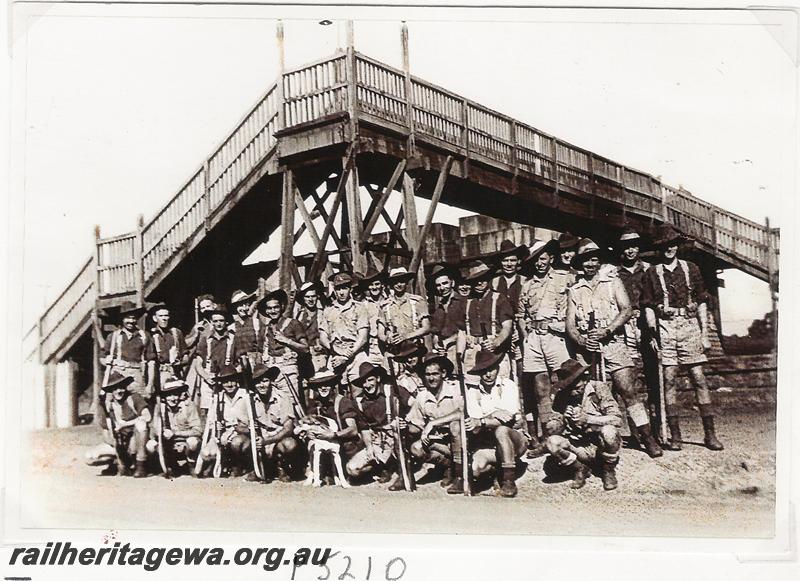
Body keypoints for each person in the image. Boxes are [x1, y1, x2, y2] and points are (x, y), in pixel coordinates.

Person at [566, 238, 663, 458]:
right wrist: (582, 341)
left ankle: (647, 438)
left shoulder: (612, 281)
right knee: (597, 396)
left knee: (629, 391)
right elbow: (569, 325)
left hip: (614, 343)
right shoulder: (575, 290)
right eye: (585, 261)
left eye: (593, 259)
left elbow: (627, 309)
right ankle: (603, 443)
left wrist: (607, 330)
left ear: (598, 261)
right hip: (589, 351)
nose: (590, 264)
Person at [642, 225, 723, 451]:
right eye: (665, 245)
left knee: (698, 377)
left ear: (677, 246)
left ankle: (710, 434)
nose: (670, 249)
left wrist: (704, 335)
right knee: (668, 378)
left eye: (673, 244)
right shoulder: (652, 273)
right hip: (665, 329)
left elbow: (702, 303)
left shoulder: (691, 269)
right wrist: (652, 333)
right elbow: (647, 305)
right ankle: (675, 435)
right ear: (660, 248)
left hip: (689, 327)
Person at [516, 239, 575, 457]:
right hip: (534, 338)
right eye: (536, 260)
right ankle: (547, 438)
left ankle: (566, 431)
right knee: (540, 388)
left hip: (556, 336)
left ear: (550, 258)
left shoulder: (564, 278)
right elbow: (520, 315)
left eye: (543, 259)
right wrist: (526, 336)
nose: (540, 264)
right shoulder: (528, 285)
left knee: (564, 383)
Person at [544, 359, 623, 491]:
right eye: (569, 388)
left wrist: (588, 419)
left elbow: (617, 419)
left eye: (577, 388)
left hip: (599, 444)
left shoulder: (599, 388)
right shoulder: (563, 394)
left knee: (609, 432)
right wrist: (563, 418)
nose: (573, 393)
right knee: (552, 442)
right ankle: (579, 468)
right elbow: (551, 429)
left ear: (585, 379)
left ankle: (608, 469)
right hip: (578, 446)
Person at [463, 350, 528, 498]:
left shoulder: (508, 386)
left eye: (491, 369)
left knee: (501, 431)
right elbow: (475, 424)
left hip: (515, 440)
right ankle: (498, 470)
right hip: (490, 445)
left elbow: (506, 419)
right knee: (476, 469)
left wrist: (484, 420)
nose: (488, 374)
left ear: (498, 368)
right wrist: (493, 415)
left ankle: (509, 480)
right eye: (484, 370)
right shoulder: (473, 392)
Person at [403, 353, 464, 492]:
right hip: (439, 442)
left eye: (435, 374)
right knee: (416, 448)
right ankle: (448, 466)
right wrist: (405, 426)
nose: (431, 378)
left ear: (443, 373)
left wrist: (433, 423)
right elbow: (415, 423)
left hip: (459, 440)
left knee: (455, 426)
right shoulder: (422, 396)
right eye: (428, 374)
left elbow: (462, 413)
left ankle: (459, 476)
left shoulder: (456, 389)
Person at [297, 368, 361, 485]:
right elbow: (308, 422)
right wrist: (309, 433)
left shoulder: (343, 402)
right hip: (325, 443)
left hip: (344, 443)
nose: (323, 388)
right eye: (319, 385)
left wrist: (333, 435)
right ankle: (326, 471)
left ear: (332, 385)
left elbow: (353, 429)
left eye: (326, 384)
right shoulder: (315, 405)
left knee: (352, 464)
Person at [456, 261, 515, 386]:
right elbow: (462, 331)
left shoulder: (499, 299)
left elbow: (507, 326)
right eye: (475, 280)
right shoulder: (466, 302)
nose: (479, 282)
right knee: (473, 389)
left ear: (488, 278)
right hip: (473, 352)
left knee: (501, 387)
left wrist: (496, 342)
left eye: (482, 278)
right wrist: (460, 354)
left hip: (495, 353)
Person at [85, 371, 152, 478]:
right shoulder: (107, 406)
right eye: (115, 388)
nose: (119, 391)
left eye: (121, 387)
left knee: (141, 427)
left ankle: (141, 465)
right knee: (90, 457)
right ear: (111, 391)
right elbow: (106, 434)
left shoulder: (134, 398)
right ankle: (117, 463)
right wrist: (116, 441)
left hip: (138, 440)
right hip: (120, 443)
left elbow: (147, 417)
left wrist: (125, 425)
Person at [245, 363, 301, 483]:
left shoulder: (283, 398)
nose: (262, 385)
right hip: (261, 436)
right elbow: (241, 425)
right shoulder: (250, 400)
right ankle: (257, 468)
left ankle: (281, 467)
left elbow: (288, 428)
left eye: (265, 381)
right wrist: (250, 428)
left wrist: (267, 441)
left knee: (289, 445)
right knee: (243, 442)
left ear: (271, 381)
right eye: (258, 382)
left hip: (278, 437)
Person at [318, 271, 370, 389]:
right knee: (335, 392)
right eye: (338, 289)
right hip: (335, 354)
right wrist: (337, 350)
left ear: (350, 289)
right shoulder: (328, 310)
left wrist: (347, 356)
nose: (341, 292)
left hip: (356, 354)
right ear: (335, 290)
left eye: (344, 288)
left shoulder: (359, 308)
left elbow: (363, 337)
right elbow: (323, 336)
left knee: (359, 390)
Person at [345, 362, 396, 483]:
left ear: (378, 378)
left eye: (370, 380)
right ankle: (378, 467)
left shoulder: (391, 391)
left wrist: (405, 420)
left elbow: (413, 404)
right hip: (377, 440)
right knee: (352, 469)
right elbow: (364, 428)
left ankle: (393, 465)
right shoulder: (359, 401)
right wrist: (369, 447)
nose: (367, 385)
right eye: (364, 382)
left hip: (396, 436)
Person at [257, 289, 308, 408]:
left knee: (292, 405)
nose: (273, 311)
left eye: (276, 307)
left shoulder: (293, 324)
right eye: (269, 308)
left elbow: (305, 348)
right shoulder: (265, 329)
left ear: (281, 307)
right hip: (270, 372)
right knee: (274, 405)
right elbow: (259, 352)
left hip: (288, 371)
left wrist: (287, 340)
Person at [197, 367, 252, 478]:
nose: (229, 384)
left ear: (237, 381)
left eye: (232, 380)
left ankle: (239, 465)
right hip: (223, 434)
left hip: (243, 433)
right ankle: (220, 464)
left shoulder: (246, 395)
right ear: (221, 383)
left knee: (237, 443)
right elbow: (212, 420)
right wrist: (216, 427)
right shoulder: (218, 398)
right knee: (207, 453)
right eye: (226, 381)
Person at [192, 306, 241, 425]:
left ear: (226, 322)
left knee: (228, 412)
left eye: (221, 321)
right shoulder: (205, 339)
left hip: (228, 381)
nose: (218, 324)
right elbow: (198, 363)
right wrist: (206, 377)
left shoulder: (233, 338)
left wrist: (233, 376)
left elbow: (240, 362)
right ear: (212, 323)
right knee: (208, 413)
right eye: (215, 321)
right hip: (210, 380)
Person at [147, 376, 202, 475]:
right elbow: (153, 432)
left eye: (175, 394)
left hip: (185, 442)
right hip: (168, 444)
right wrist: (161, 432)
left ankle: (191, 464)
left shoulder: (189, 406)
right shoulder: (160, 408)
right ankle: (168, 465)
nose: (172, 399)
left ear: (180, 395)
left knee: (193, 442)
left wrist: (176, 433)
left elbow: (198, 430)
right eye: (169, 395)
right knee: (151, 445)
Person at [101, 301, 154, 401]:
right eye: (127, 318)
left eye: (133, 318)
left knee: (141, 401)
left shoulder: (144, 336)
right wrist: (106, 361)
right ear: (122, 319)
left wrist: (150, 384)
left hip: (136, 374)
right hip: (118, 373)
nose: (131, 321)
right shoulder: (113, 336)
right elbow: (102, 357)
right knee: (111, 402)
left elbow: (151, 361)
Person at [377, 267, 431, 348]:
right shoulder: (385, 306)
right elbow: (380, 333)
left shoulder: (417, 301)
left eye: (402, 281)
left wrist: (406, 336)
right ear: (391, 284)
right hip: (394, 350)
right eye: (396, 282)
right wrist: (387, 339)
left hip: (414, 347)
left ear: (406, 282)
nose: (399, 284)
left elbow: (426, 327)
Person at [428, 263, 465, 369]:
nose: (442, 288)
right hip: (443, 351)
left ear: (452, 283)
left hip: (461, 348)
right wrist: (437, 345)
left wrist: (449, 341)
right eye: (438, 285)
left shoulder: (463, 302)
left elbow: (467, 330)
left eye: (445, 283)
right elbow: (435, 332)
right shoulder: (438, 308)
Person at [148, 303, 187, 387]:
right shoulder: (151, 335)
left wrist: (180, 362)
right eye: (161, 316)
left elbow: (185, 355)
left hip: (176, 373)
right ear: (155, 318)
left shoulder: (177, 333)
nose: (164, 318)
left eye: (166, 315)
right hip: (159, 374)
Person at [357, 267, 389, 366]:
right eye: (371, 285)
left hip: (388, 345)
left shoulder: (389, 302)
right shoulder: (363, 305)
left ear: (382, 285)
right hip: (371, 347)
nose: (374, 287)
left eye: (377, 284)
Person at [294, 281, 327, 373]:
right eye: (307, 297)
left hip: (319, 355)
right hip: (302, 355)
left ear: (317, 297)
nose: (310, 299)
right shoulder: (298, 316)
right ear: (303, 299)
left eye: (313, 296)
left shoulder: (323, 314)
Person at [388, 340, 426, 415]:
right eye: (406, 358)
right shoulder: (402, 381)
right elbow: (411, 403)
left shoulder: (426, 374)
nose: (409, 360)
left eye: (412, 356)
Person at [229, 290, 262, 367]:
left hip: (255, 363)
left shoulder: (256, 323)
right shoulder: (231, 327)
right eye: (240, 305)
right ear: (235, 307)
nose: (244, 308)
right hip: (239, 365)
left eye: (246, 305)